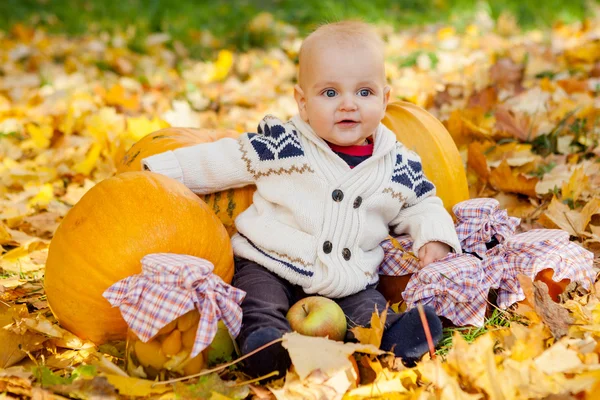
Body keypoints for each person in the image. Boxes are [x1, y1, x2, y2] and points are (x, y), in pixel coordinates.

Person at [142, 20, 461, 380]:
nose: (348, 105)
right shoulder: (285, 144)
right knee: (259, 303)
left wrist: (433, 235)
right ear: (303, 101)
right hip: (269, 262)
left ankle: (398, 336)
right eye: (329, 93)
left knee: (368, 311)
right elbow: (226, 159)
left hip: (346, 279)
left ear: (386, 99)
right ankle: (265, 346)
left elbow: (422, 202)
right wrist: (159, 171)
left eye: (364, 92)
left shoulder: (397, 163)